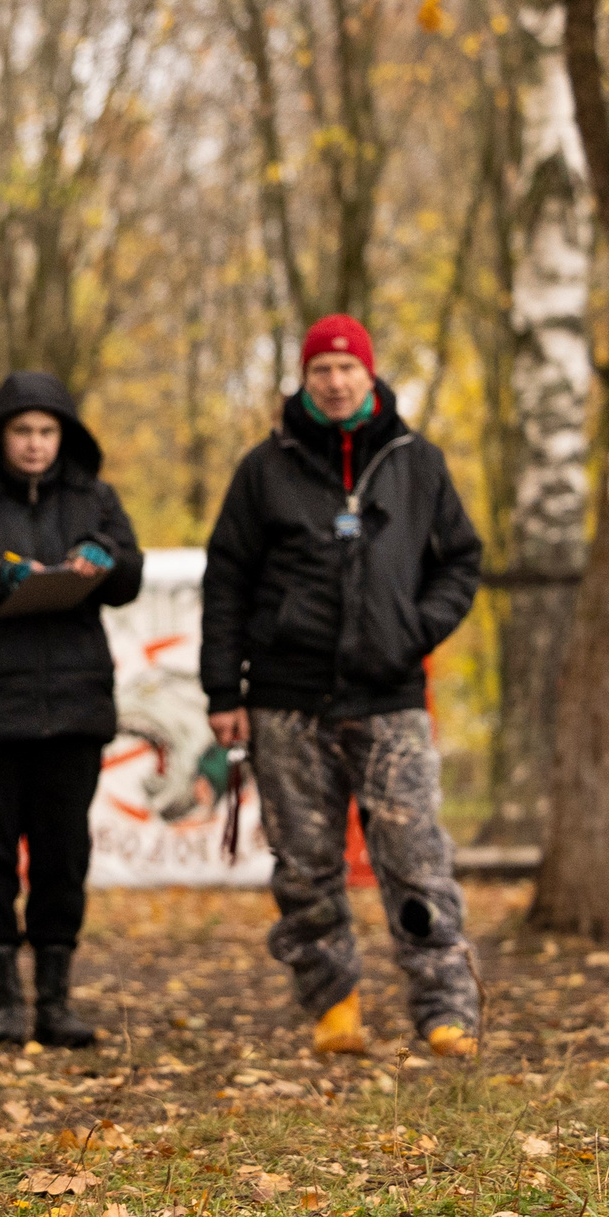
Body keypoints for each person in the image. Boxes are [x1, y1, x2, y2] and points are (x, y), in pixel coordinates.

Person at [200, 315, 483, 1061]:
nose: (334, 380)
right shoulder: (266, 467)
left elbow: (461, 560)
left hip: (390, 698)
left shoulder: (415, 461)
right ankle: (333, 1002)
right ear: (306, 378)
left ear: (369, 372)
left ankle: (445, 1007)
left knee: (415, 857)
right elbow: (226, 580)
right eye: (320, 368)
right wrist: (222, 691)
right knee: (305, 863)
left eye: (345, 367)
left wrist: (414, 629)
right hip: (285, 699)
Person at [0, 371, 143, 1048]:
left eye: (47, 431)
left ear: (64, 436)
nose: (36, 444)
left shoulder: (95, 500)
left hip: (73, 710)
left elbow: (130, 577)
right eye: (23, 431)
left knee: (63, 857)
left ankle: (56, 1001)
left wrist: (106, 560)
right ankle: (4, 1001)